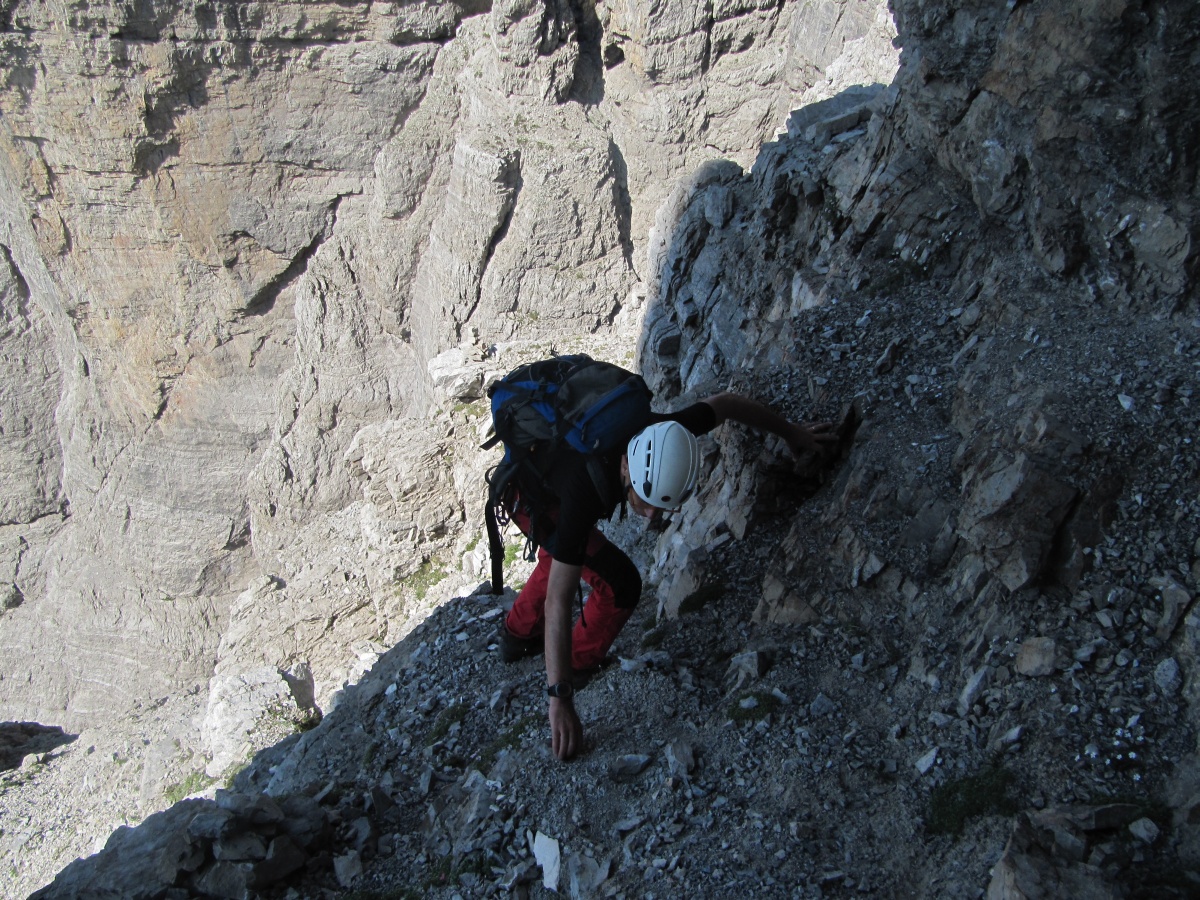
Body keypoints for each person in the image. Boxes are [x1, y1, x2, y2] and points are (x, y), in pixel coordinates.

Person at [497, 391, 838, 760]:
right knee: (620, 584)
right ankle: (576, 663)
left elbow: (726, 405)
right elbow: (559, 599)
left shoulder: (664, 437)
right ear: (626, 468)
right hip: (528, 495)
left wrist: (791, 432)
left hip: (545, 476)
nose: (650, 517)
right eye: (645, 502)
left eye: (658, 507)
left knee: (564, 556)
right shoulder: (586, 488)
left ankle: (516, 636)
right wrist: (559, 698)